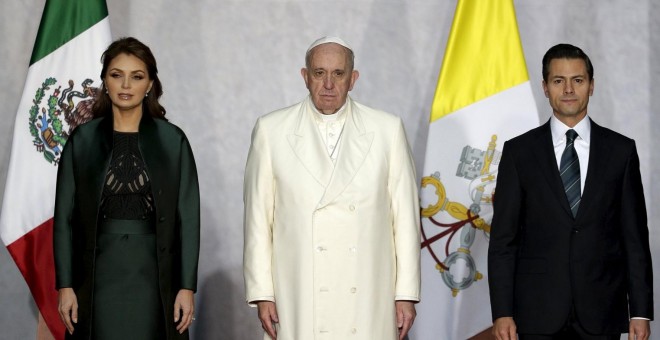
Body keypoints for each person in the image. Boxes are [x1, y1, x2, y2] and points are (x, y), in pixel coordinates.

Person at [243, 36, 421, 340]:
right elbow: (258, 219)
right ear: (304, 76)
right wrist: (263, 292)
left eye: (338, 74)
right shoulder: (271, 130)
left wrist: (405, 293)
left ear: (353, 79)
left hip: (368, 292)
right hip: (299, 288)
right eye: (319, 72)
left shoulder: (387, 129)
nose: (328, 83)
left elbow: (404, 218)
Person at [488, 43, 653, 340]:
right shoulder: (519, 153)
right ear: (545, 87)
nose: (568, 89)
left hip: (602, 311)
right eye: (558, 80)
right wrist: (502, 311)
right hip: (536, 313)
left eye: (577, 80)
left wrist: (639, 311)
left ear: (591, 86)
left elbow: (635, 238)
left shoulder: (620, 151)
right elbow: (503, 241)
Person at [53, 37, 200, 340]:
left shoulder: (173, 142)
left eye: (137, 76)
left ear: (149, 84)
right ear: (105, 81)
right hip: (95, 278)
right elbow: (63, 218)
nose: (126, 85)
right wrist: (65, 286)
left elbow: (189, 218)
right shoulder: (82, 141)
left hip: (153, 277)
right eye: (116, 74)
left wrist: (186, 287)